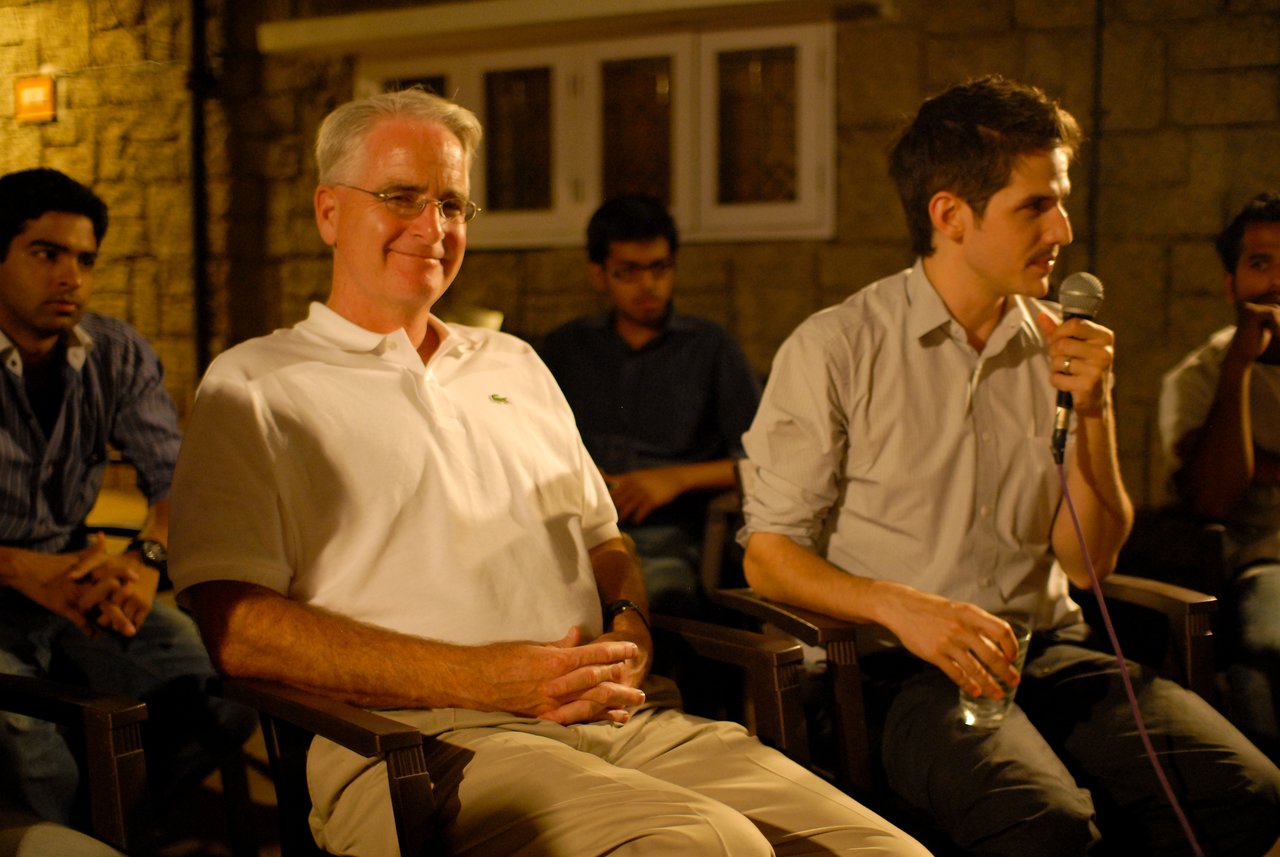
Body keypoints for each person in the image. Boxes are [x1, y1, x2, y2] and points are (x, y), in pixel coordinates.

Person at [167, 87, 928, 857]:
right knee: (706, 845)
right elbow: (237, 628)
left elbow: (605, 540)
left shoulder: (514, 361)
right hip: (415, 745)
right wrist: (480, 680)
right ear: (330, 211)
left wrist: (630, 624)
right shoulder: (257, 382)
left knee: (885, 851)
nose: (433, 228)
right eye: (402, 196)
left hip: (620, 720)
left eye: (454, 204)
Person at [738, 75, 1280, 856]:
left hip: (1045, 649)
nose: (1063, 227)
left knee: (1249, 794)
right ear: (950, 215)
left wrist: (1095, 413)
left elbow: (1089, 562)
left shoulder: (1062, 341)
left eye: (1061, 200)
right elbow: (768, 556)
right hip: (904, 666)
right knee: (1044, 824)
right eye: (1035, 205)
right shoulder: (838, 346)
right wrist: (903, 607)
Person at [0, 168, 255, 827]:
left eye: (85, 259)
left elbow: (179, 477)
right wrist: (23, 569)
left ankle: (105, 826)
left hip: (77, 581)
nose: (71, 277)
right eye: (46, 253)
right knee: (32, 747)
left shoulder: (112, 351)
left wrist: (143, 561)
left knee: (223, 683)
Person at [540, 194, 761, 614]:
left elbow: (760, 461)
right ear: (599, 275)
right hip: (573, 528)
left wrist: (672, 480)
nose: (648, 285)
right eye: (629, 272)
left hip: (669, 534)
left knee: (654, 595)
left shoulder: (709, 347)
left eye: (659, 268)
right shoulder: (567, 347)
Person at [1159, 191, 1280, 762]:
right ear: (1232, 284)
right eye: (1261, 264)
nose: (1278, 282)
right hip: (1262, 563)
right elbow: (1211, 497)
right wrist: (1240, 368)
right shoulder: (1200, 378)